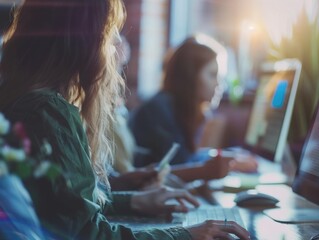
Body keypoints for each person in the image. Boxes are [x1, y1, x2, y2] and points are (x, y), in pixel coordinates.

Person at [0, 0, 250, 239]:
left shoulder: (21, 99)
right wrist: (183, 235)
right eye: (109, 37)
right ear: (85, 43)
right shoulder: (48, 113)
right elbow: (88, 233)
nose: (113, 49)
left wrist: (134, 200)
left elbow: (67, 207)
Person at [129, 35, 258, 176]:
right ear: (190, 77)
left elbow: (187, 158)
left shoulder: (181, 109)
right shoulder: (159, 110)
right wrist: (229, 164)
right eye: (212, 74)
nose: (219, 84)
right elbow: (176, 168)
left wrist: (225, 157)